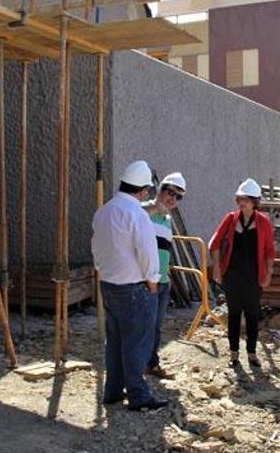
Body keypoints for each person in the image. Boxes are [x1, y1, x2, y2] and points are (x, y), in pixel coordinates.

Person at [91, 160, 168, 411]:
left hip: (109, 285)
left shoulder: (104, 211)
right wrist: (153, 282)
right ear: (143, 191)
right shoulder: (137, 214)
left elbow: (96, 250)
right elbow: (148, 253)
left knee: (114, 341)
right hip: (135, 289)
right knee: (137, 343)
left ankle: (112, 391)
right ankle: (138, 396)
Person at [209, 178, 275, 368]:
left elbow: (270, 251)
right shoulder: (230, 218)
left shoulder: (263, 222)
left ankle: (252, 353)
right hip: (232, 275)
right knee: (234, 315)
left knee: (253, 314)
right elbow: (214, 244)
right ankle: (233, 354)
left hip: (254, 276)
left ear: (254, 201)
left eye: (245, 199)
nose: (241, 202)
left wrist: (268, 275)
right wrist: (216, 269)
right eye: (239, 199)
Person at [142, 172, 187, 380]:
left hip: (162, 283)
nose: (173, 199)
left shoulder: (167, 220)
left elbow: (163, 252)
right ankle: (134, 370)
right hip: (144, 282)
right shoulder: (144, 211)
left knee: (156, 328)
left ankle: (151, 364)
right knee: (141, 327)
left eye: (178, 197)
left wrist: (165, 277)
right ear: (160, 190)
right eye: (171, 193)